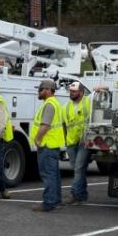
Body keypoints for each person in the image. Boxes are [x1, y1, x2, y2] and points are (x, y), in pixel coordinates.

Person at [30, 79, 65, 213]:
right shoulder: (53, 103)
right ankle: (56, 201)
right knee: (54, 174)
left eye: (41, 89)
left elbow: (45, 125)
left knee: (48, 175)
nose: (39, 92)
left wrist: (37, 139)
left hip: (47, 144)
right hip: (52, 144)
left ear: (49, 90)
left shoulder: (49, 104)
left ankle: (49, 203)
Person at [63, 80, 93, 206]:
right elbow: (64, 125)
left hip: (84, 141)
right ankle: (82, 196)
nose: (71, 93)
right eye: (70, 91)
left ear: (81, 92)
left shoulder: (88, 102)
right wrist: (65, 141)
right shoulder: (66, 107)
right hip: (71, 142)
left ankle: (74, 194)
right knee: (78, 169)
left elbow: (103, 89)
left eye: (74, 91)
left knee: (79, 169)